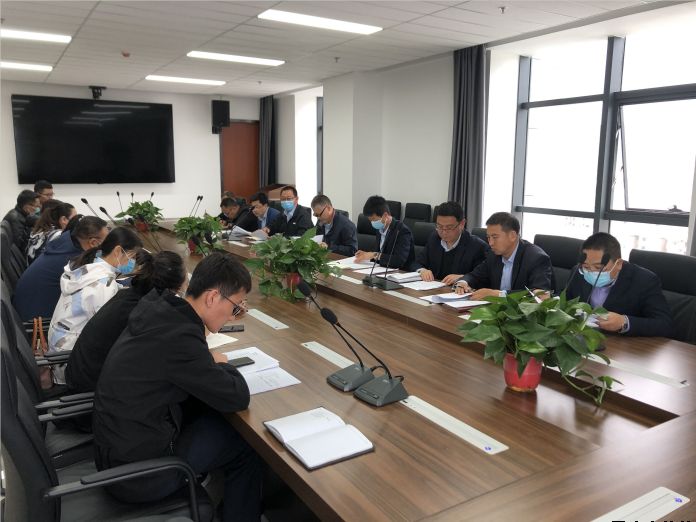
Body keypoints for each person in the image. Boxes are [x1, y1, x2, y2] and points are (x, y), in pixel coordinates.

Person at [93, 252, 262, 521]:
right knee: (246, 445)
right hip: (138, 476)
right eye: (235, 307)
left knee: (208, 414)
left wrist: (206, 360)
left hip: (116, 453)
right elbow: (237, 396)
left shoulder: (161, 309)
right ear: (212, 297)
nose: (233, 317)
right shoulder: (180, 337)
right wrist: (222, 364)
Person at [66, 250, 186, 393]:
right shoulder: (143, 312)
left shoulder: (129, 295)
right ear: (174, 289)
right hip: (91, 388)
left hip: (81, 373)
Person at [47, 227, 143, 384]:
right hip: (71, 363)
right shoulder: (103, 285)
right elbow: (108, 333)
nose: (133, 263)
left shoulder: (86, 268)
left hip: (58, 351)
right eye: (132, 257)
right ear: (118, 251)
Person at [566, 232, 674, 337]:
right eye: (586, 266)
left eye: (599, 268)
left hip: (624, 344)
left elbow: (665, 324)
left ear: (619, 264)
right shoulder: (578, 272)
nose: (591, 272)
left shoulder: (644, 280)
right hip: (583, 338)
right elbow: (566, 303)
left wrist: (624, 322)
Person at [12, 215, 109, 322]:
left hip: (25, 311)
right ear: (93, 242)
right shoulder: (72, 261)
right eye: (107, 242)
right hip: (36, 323)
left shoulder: (64, 244)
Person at [455, 212, 553, 299]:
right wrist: (463, 282)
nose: (490, 243)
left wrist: (498, 294)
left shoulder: (536, 258)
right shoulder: (493, 255)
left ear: (512, 236)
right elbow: (475, 275)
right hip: (495, 310)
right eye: (488, 237)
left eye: (495, 237)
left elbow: (540, 295)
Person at [410, 201, 489, 285]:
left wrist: (463, 278)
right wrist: (422, 270)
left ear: (462, 224)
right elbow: (416, 263)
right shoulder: (434, 238)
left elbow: (483, 278)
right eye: (439, 226)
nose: (444, 232)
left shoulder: (477, 247)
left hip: (457, 291)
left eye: (449, 227)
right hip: (432, 288)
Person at [355, 195, 415, 270]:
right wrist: (366, 255)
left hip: (400, 272)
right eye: (370, 220)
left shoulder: (402, 231)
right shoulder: (380, 228)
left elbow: (399, 261)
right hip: (381, 270)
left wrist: (374, 255)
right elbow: (379, 254)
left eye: (374, 219)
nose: (372, 223)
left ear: (385, 215)